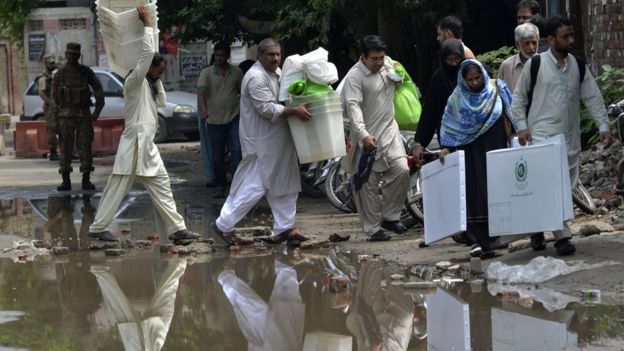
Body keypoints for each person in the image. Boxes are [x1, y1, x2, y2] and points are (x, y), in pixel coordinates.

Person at [88, 5, 200, 243]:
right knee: (118, 187)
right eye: (158, 71)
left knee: (160, 184)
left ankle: (177, 229)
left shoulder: (149, 84)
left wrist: (157, 79)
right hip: (135, 144)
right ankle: (99, 227)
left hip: (145, 146)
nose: (161, 74)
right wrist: (148, 24)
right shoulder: (133, 82)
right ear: (147, 67)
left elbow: (162, 101)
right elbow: (147, 53)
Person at [510, 15, 611, 256]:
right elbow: (518, 100)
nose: (571, 40)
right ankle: (563, 236)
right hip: (542, 137)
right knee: (553, 187)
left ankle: (537, 226)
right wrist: (522, 126)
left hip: (570, 138)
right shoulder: (535, 65)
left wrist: (603, 126)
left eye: (572, 35)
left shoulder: (578, 65)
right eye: (565, 37)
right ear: (551, 39)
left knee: (565, 186)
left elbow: (593, 97)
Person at [211, 38, 311, 245]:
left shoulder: (278, 72)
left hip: (279, 140)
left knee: (285, 183)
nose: (275, 58)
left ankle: (284, 228)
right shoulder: (256, 77)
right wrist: (294, 110)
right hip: (262, 143)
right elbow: (266, 108)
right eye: (270, 55)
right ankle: (223, 224)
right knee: (255, 186)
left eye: (277, 54)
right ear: (259, 55)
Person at [439, 59, 515, 258]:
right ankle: (476, 240)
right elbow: (449, 126)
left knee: (496, 189)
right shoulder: (456, 99)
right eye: (470, 79)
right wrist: (446, 148)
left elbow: (512, 113)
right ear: (463, 80)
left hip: (495, 145)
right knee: (473, 192)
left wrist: (517, 135)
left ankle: (496, 237)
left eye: (477, 77)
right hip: (470, 152)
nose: (474, 83)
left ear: (483, 74)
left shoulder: (497, 89)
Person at [341, 35, 410, 241]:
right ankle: (372, 229)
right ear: (363, 57)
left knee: (402, 170)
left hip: (390, 132)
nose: (380, 62)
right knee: (367, 184)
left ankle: (390, 216)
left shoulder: (388, 65)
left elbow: (403, 82)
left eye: (382, 57)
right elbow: (353, 108)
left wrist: (397, 74)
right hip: (367, 137)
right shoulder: (354, 77)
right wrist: (363, 135)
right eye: (375, 59)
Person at [52, 42, 104, 191]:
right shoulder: (60, 74)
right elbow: (54, 99)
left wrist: (96, 112)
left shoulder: (86, 72)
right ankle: (65, 180)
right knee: (65, 148)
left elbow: (99, 91)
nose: (73, 56)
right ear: (66, 55)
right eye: (70, 53)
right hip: (65, 117)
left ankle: (86, 179)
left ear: (79, 56)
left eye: (76, 54)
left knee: (85, 147)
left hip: (83, 115)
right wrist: (54, 121)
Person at [197, 42, 243, 198]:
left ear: (228, 56)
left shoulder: (236, 72)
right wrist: (204, 110)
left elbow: (242, 93)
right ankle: (220, 185)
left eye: (222, 55)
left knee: (237, 151)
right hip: (214, 121)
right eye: (217, 55)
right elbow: (201, 93)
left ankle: (237, 185)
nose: (219, 58)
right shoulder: (207, 73)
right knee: (217, 156)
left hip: (234, 118)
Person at [413, 39, 465, 158]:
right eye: (449, 60)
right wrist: (420, 142)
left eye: (457, 59)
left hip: (471, 130)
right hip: (448, 134)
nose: (453, 64)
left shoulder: (468, 72)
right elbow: (430, 111)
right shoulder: (439, 79)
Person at [497, 22, 539, 92]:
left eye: (534, 42)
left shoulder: (545, 63)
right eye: (527, 43)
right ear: (517, 45)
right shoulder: (507, 66)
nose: (531, 48)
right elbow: (499, 93)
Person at [38, 54, 59, 161]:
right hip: (50, 108)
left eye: (53, 62)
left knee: (64, 129)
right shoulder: (43, 77)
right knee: (52, 129)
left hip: (59, 106)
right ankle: (53, 152)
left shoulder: (56, 74)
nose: (53, 64)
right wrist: (50, 102)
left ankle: (67, 151)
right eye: (51, 63)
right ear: (46, 64)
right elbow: (41, 93)